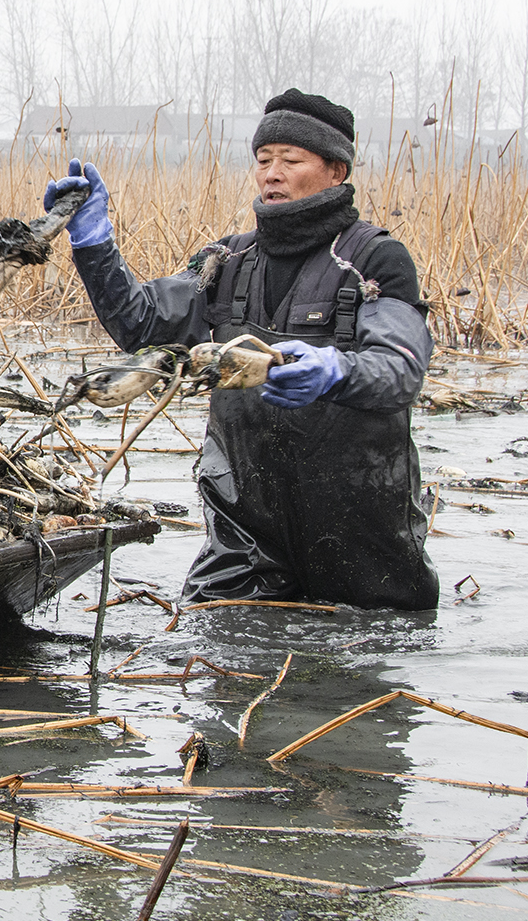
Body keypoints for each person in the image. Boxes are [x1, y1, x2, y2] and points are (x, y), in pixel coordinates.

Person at [49, 88, 438, 610]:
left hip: (357, 523)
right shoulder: (227, 261)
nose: (271, 173)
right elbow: (142, 324)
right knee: (216, 651)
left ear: (336, 171)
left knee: (361, 663)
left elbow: (400, 366)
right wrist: (93, 242)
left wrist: (336, 371)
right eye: (263, 160)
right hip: (244, 527)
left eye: (290, 160)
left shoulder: (377, 259)